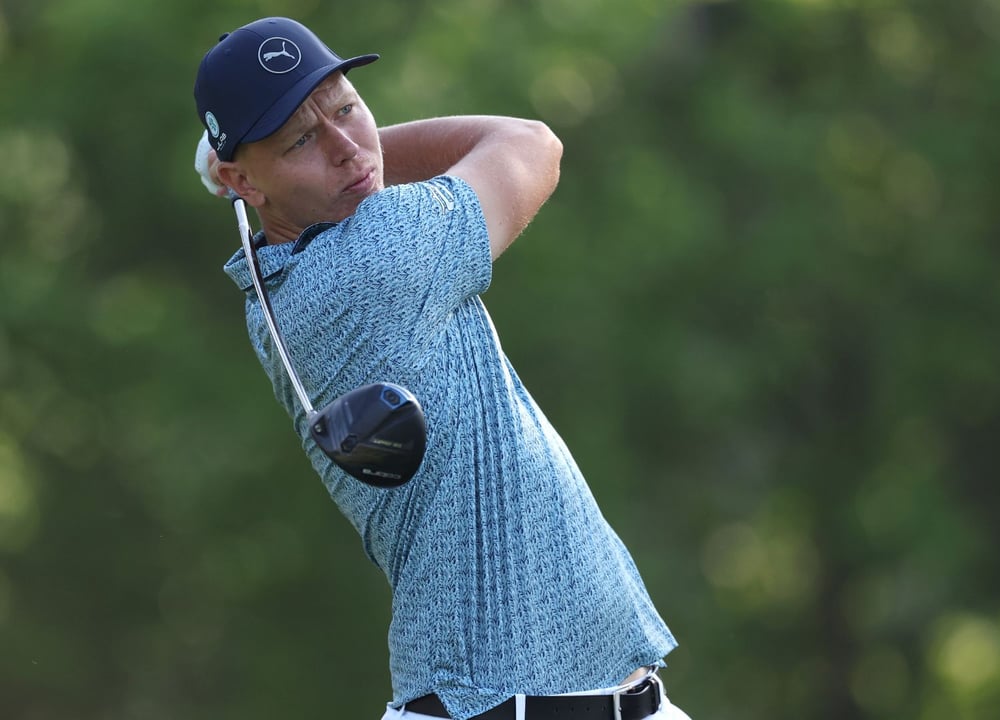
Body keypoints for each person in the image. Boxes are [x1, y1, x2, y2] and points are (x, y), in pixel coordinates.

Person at [192, 16, 687, 720]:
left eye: (347, 110)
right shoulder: (375, 259)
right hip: (499, 705)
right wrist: (357, 152)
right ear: (242, 181)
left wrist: (288, 157)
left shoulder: (284, 277)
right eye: (302, 139)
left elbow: (332, 167)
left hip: (579, 700)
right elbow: (530, 144)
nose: (344, 146)